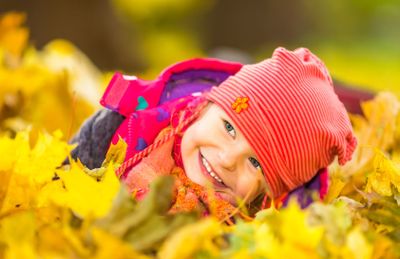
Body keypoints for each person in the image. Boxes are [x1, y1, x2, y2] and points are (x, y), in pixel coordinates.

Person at [69, 47, 357, 221]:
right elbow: (61, 175)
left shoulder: (255, 230)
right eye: (229, 127)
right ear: (205, 107)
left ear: (269, 194)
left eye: (255, 163)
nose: (228, 158)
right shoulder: (116, 130)